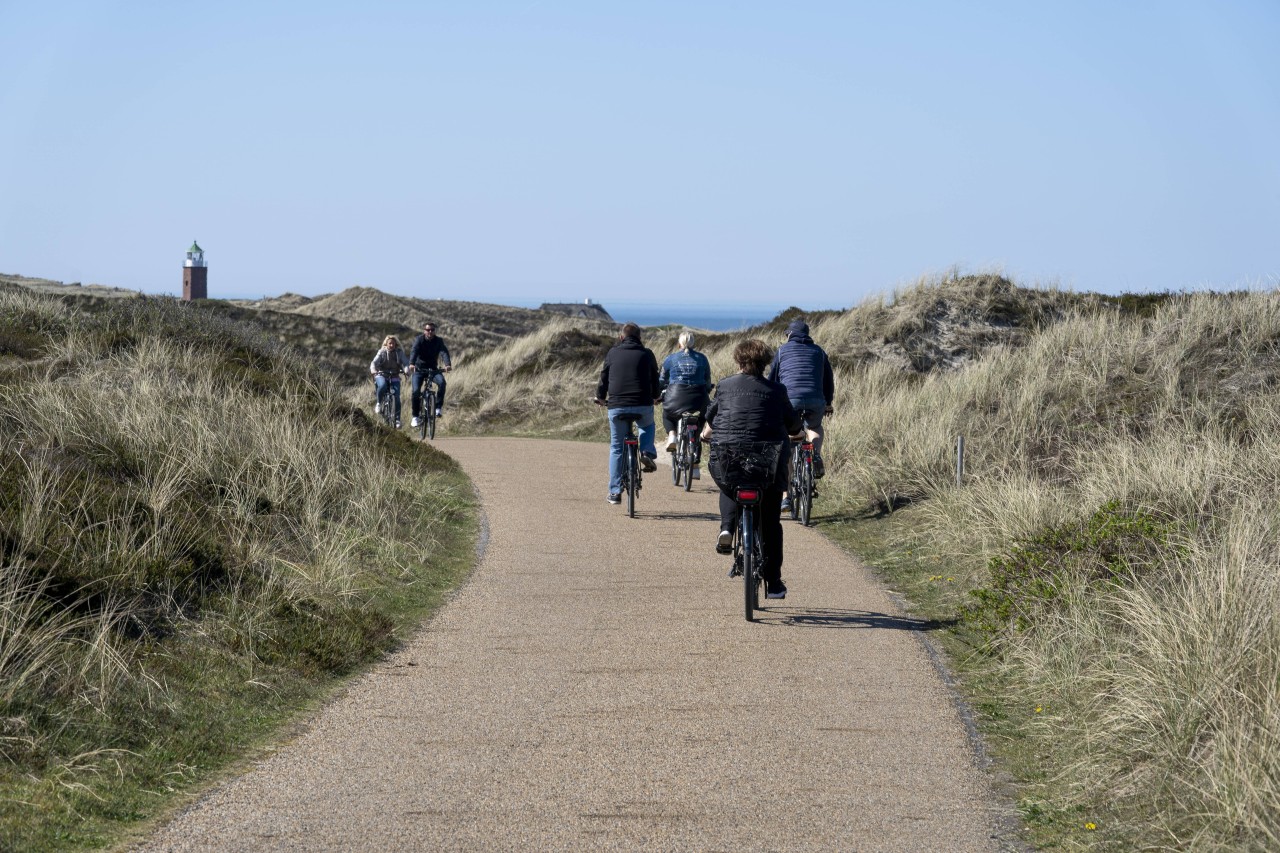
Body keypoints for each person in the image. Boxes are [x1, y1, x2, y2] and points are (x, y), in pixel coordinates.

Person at [703, 339, 807, 599]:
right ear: (765, 364)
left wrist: (707, 432)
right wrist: (798, 433)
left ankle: (727, 527)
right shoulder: (777, 390)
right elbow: (793, 424)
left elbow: (711, 414)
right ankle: (773, 583)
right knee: (771, 521)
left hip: (728, 453)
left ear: (738, 361)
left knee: (729, 482)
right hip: (768, 461)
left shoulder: (725, 386)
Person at [767, 319, 835, 511]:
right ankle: (815, 455)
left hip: (790, 401)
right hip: (815, 400)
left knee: (788, 439)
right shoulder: (819, 352)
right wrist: (828, 402)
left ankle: (786, 496)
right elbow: (828, 380)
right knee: (814, 427)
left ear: (789, 334)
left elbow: (773, 378)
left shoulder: (782, 351)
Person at [593, 322, 661, 505]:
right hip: (642, 404)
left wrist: (600, 397)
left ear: (621, 337)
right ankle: (646, 451)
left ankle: (614, 492)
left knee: (616, 447)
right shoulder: (647, 354)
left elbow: (604, 378)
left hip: (617, 406)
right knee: (647, 426)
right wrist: (656, 396)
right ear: (639, 338)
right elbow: (655, 379)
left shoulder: (613, 353)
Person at [659, 330, 713, 481]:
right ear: (693, 343)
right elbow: (707, 380)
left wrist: (660, 392)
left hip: (676, 396)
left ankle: (672, 436)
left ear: (679, 343)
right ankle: (695, 468)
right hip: (699, 398)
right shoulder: (702, 358)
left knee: (667, 414)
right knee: (701, 421)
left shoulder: (671, 358)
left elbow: (662, 380)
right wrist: (707, 389)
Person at [409, 321, 452, 428]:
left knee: (442, 383)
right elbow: (414, 351)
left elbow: (444, 352)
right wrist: (411, 364)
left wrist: (447, 364)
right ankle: (415, 416)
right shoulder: (419, 340)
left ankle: (438, 408)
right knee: (415, 391)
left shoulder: (439, 341)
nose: (430, 332)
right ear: (424, 331)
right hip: (419, 369)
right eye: (428, 330)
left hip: (433, 369)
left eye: (432, 330)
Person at [369, 334, 411, 428]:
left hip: (394, 376)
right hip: (381, 375)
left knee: (396, 397)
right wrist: (373, 370)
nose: (391, 345)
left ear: (396, 344)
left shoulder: (399, 352)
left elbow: (406, 363)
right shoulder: (382, 352)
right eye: (390, 343)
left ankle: (397, 420)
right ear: (386, 344)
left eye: (393, 343)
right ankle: (379, 403)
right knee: (382, 386)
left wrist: (406, 370)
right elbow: (374, 362)